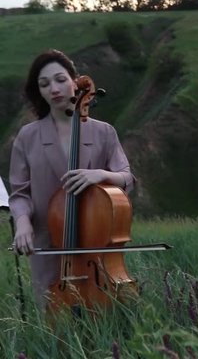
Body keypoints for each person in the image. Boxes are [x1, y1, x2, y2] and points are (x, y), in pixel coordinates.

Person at [9, 49, 135, 310]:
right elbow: (19, 192)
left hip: (96, 249)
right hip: (48, 244)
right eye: (44, 84)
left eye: (60, 79)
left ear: (74, 81)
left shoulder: (104, 132)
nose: (53, 88)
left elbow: (127, 178)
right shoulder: (27, 137)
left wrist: (101, 175)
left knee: (107, 325)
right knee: (56, 328)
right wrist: (22, 222)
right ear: (39, 91)